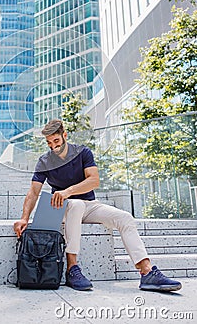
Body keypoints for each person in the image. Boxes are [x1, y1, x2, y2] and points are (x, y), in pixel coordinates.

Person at [14, 119, 182, 292]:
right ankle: (72, 269)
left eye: (56, 141)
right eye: (49, 143)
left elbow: (94, 181)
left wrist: (67, 191)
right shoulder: (44, 161)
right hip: (65, 208)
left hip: (90, 205)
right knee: (77, 205)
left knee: (125, 218)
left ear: (65, 136)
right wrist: (24, 218)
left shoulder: (82, 152)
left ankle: (147, 272)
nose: (53, 146)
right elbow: (34, 192)